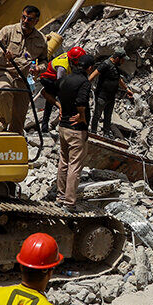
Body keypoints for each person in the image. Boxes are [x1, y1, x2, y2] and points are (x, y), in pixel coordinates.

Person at [0, 4, 45, 133]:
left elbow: (44, 60)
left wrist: (39, 68)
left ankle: (15, 138)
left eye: (29, 19)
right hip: (4, 71)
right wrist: (2, 53)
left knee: (20, 113)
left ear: (36, 21)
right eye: (23, 17)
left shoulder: (41, 39)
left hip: (23, 79)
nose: (25, 21)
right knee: (5, 90)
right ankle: (1, 121)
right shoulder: (9, 30)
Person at [55, 47, 92, 209]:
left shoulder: (67, 79)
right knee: (75, 166)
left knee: (63, 162)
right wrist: (82, 115)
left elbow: (54, 90)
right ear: (89, 68)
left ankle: (60, 197)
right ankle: (69, 203)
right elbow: (81, 101)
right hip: (76, 129)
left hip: (63, 127)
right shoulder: (84, 82)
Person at [88, 50, 133, 136]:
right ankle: (93, 132)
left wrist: (127, 89)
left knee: (108, 117)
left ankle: (106, 134)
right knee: (97, 114)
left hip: (111, 97)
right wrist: (85, 85)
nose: (123, 62)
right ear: (117, 58)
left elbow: (119, 79)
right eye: (122, 60)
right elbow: (94, 74)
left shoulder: (115, 67)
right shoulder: (106, 64)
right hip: (102, 95)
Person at [37, 47, 74, 133]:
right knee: (51, 99)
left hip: (53, 78)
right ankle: (47, 125)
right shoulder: (62, 67)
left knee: (51, 101)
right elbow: (59, 82)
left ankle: (45, 125)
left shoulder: (68, 57)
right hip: (48, 78)